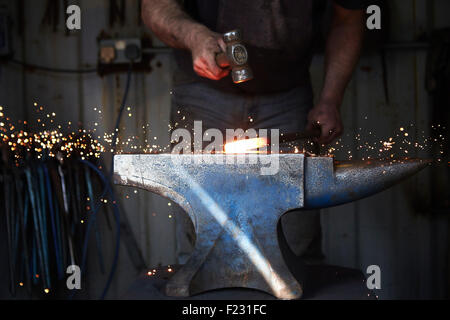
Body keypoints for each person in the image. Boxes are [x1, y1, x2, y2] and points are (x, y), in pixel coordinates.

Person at [142, 0, 366, 265]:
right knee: (201, 233)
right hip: (203, 92)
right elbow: (154, 6)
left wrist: (330, 99)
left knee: (295, 233)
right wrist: (194, 36)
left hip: (288, 90)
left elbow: (348, 20)